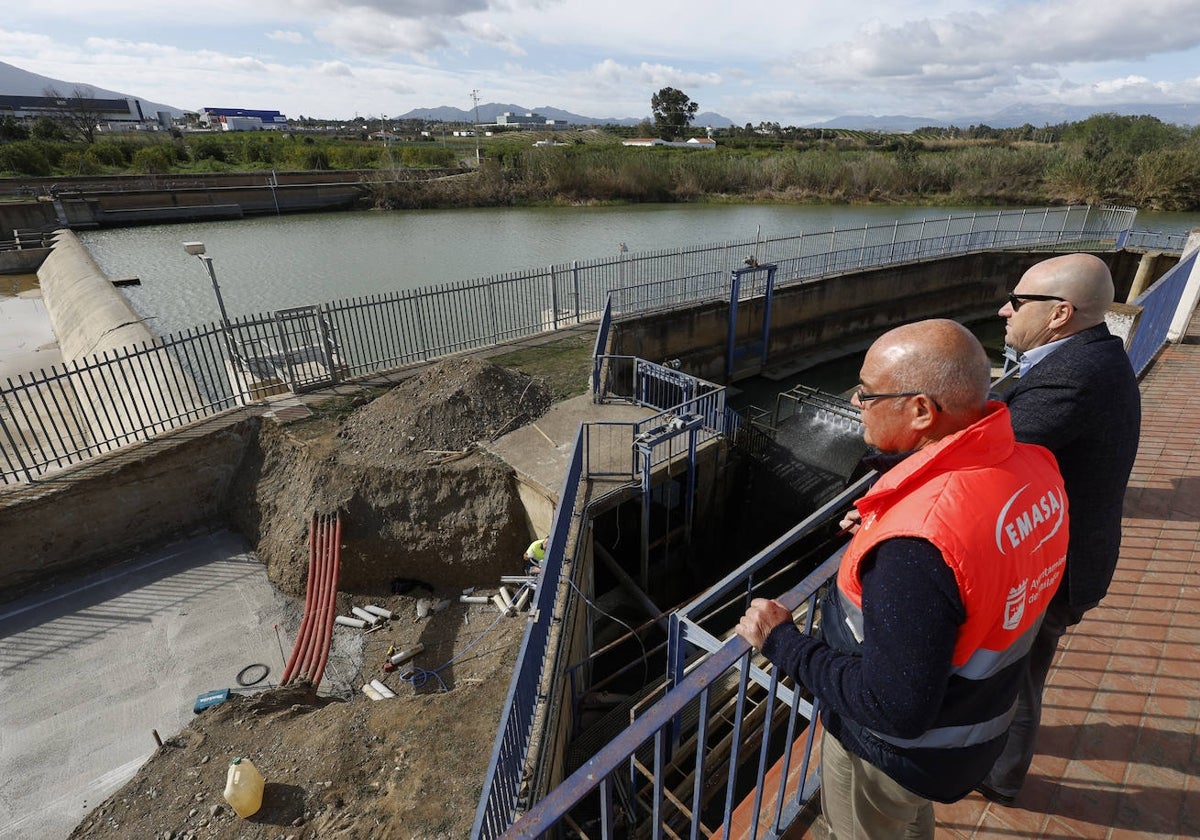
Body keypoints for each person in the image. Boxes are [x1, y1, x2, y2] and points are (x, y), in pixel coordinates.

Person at [736, 319, 1070, 840]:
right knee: (907, 818)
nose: (854, 401)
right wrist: (883, 519)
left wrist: (781, 642)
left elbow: (894, 708)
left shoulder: (918, 547)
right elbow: (976, 565)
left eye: (867, 393)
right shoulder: (1034, 468)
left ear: (920, 409)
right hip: (977, 722)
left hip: (897, 752)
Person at [979, 253, 1141, 804]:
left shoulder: (1074, 378)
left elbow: (988, 454)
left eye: (1018, 301)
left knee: (1015, 681)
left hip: (1055, 566)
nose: (1004, 310)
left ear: (1059, 313)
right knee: (1022, 671)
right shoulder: (1086, 356)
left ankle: (999, 778)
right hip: (1066, 554)